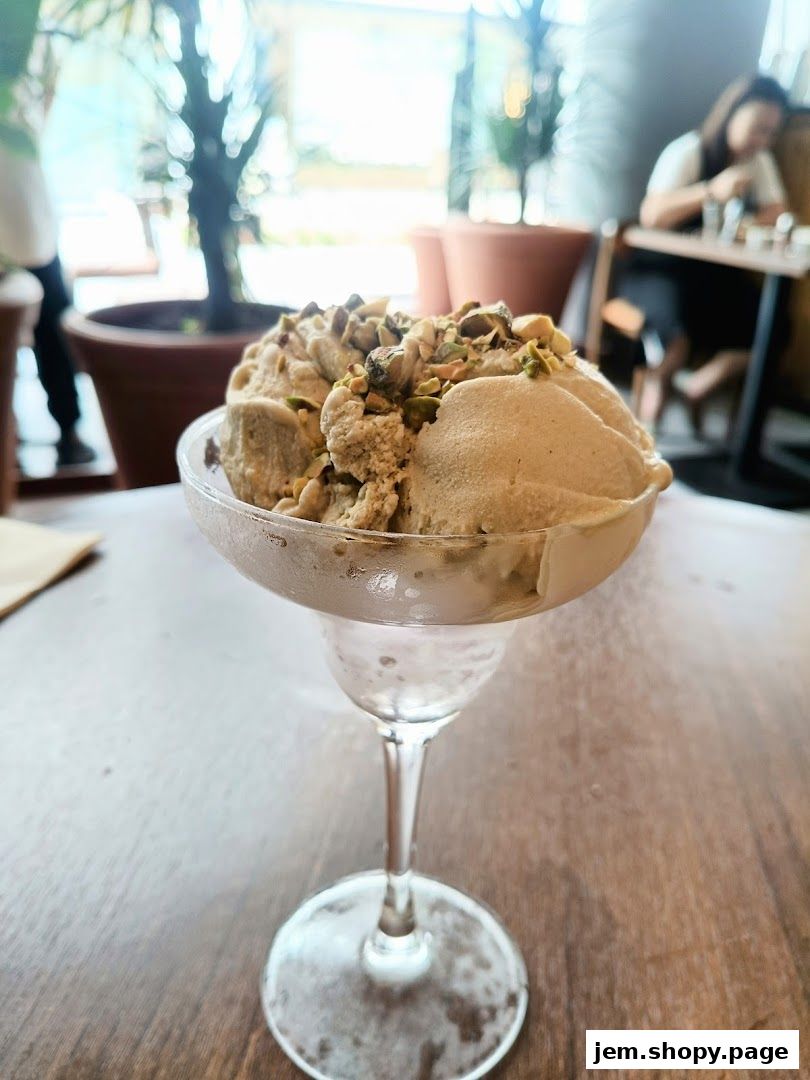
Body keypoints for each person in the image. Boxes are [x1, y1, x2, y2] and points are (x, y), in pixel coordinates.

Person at [620, 74, 790, 428]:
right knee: (675, 334)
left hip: (710, 275)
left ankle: (700, 385)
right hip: (658, 270)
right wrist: (711, 190)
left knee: (773, 325)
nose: (763, 140)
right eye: (758, 128)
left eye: (771, 133)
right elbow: (652, 215)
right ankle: (648, 429)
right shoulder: (689, 150)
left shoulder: (757, 161)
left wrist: (749, 223)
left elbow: (778, 211)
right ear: (733, 113)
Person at [0, 40, 95, 466]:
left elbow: (43, 102)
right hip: (26, 206)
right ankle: (15, 436)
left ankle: (67, 429)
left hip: (25, 207)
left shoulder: (30, 39)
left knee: (53, 325)